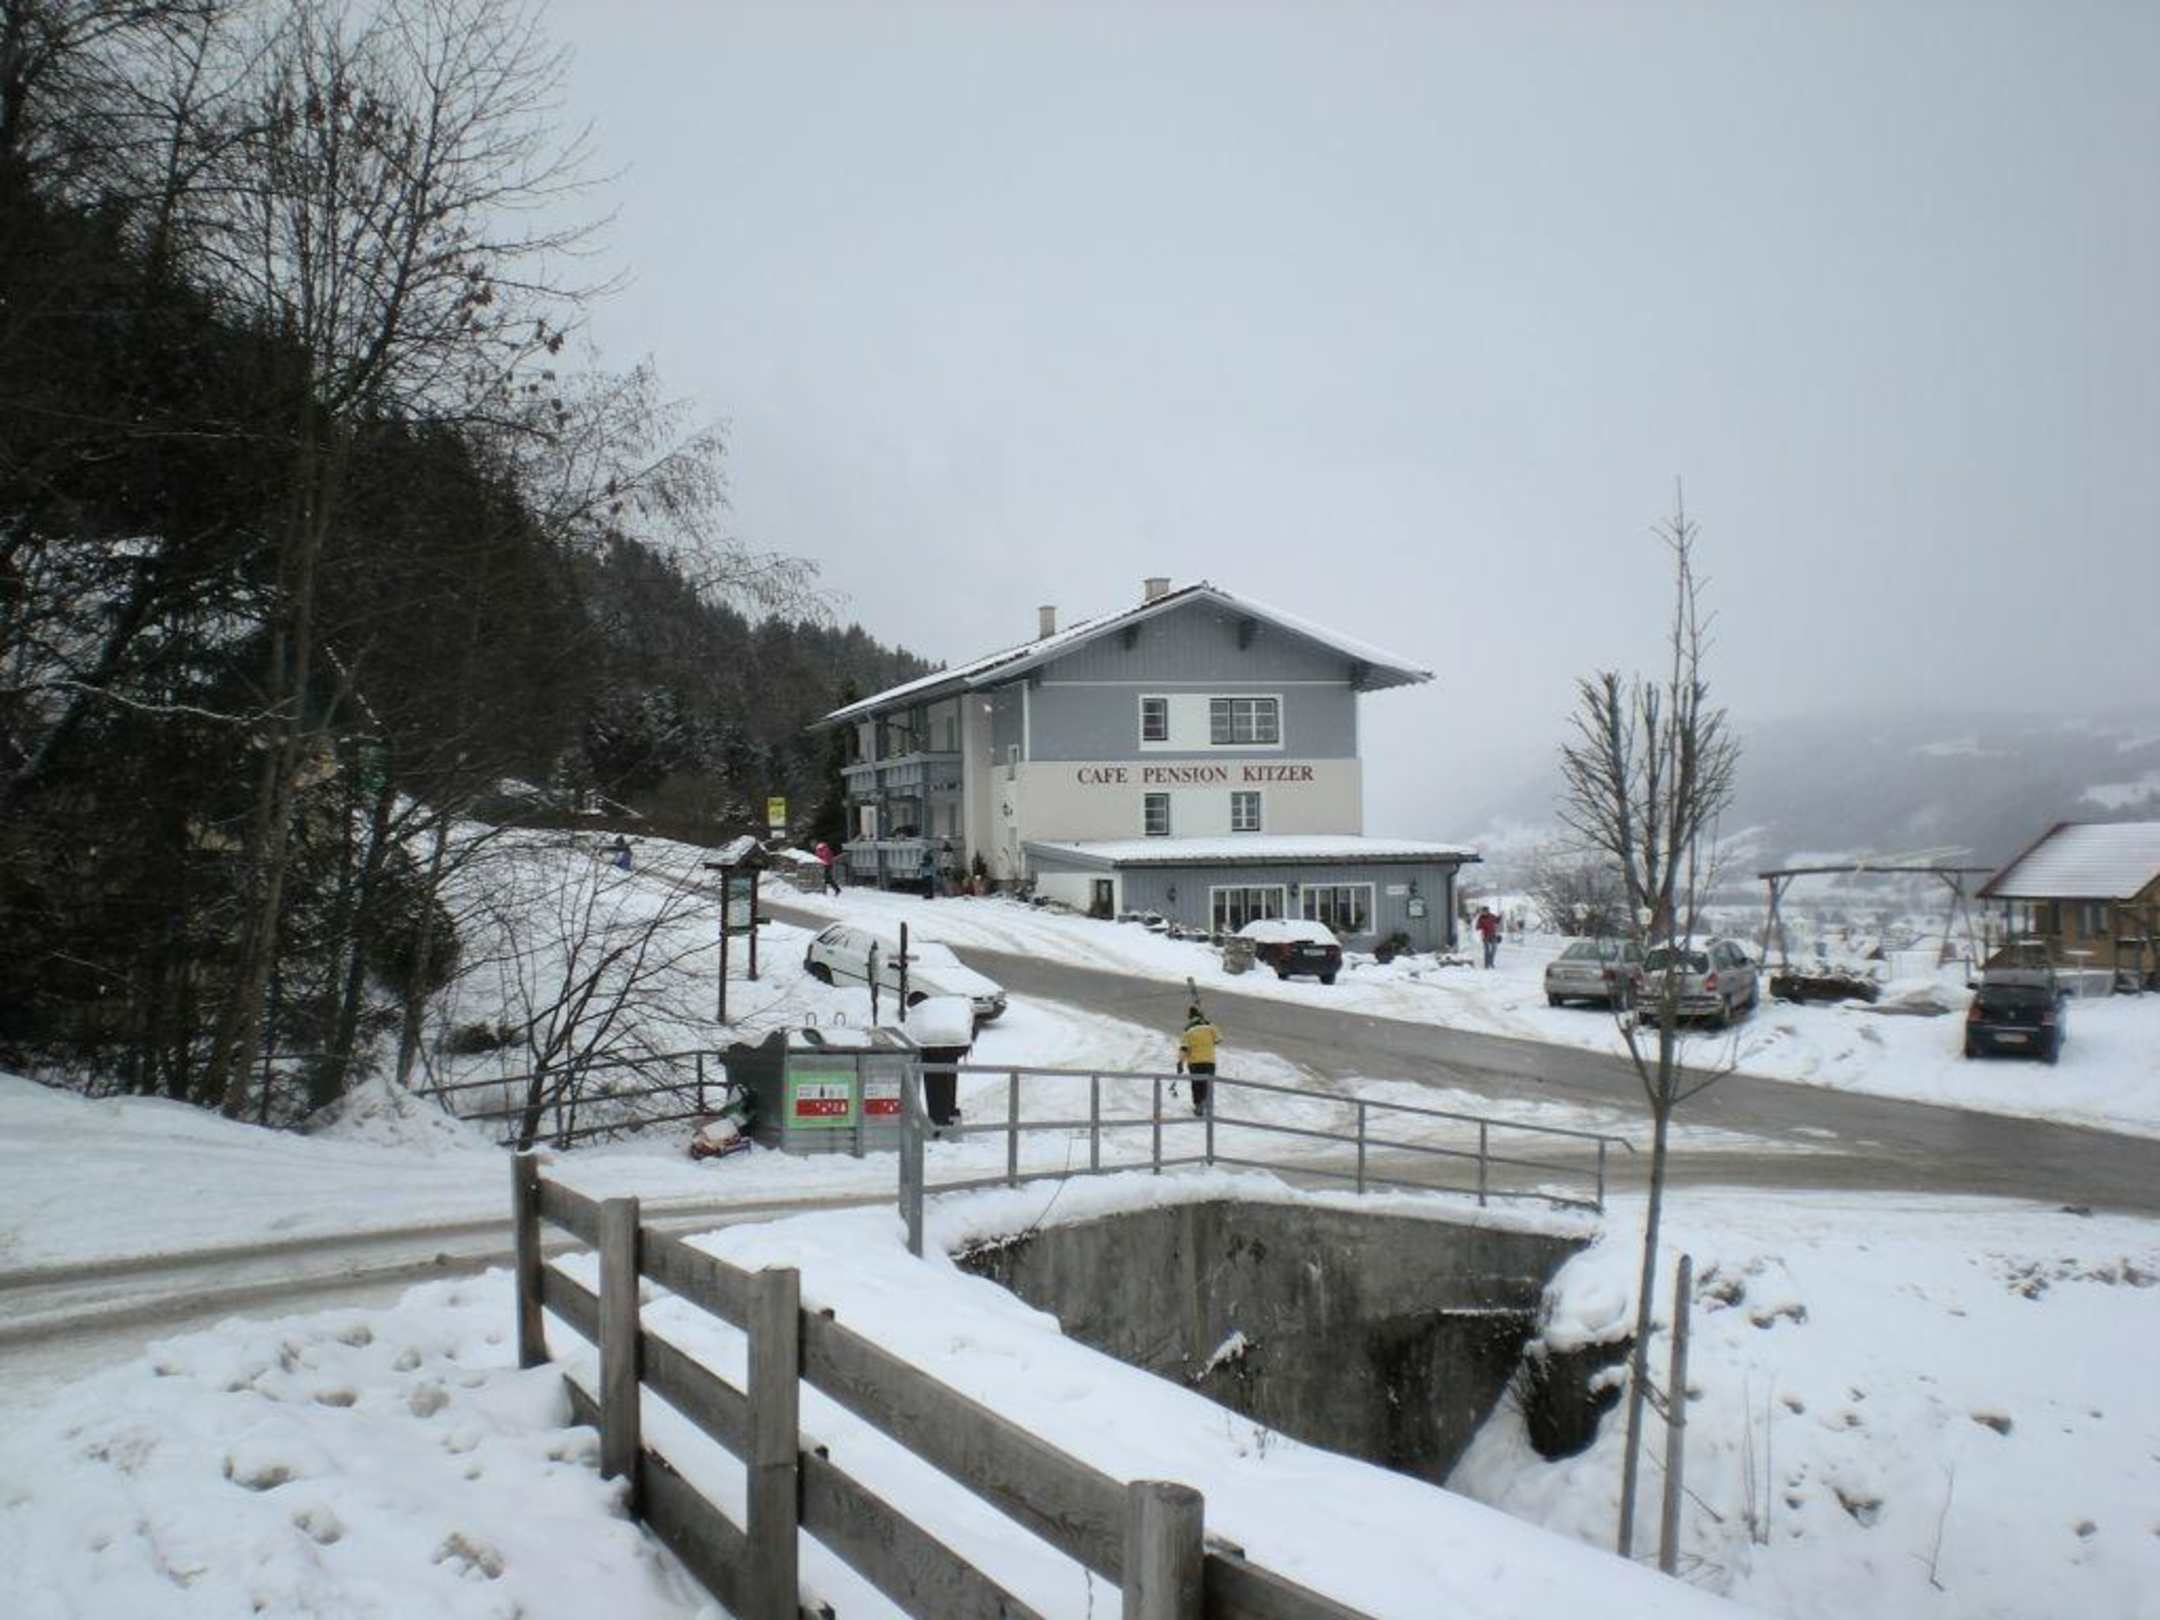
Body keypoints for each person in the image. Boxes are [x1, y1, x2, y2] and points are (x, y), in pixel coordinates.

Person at [1176, 1005, 1220, 1117]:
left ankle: (1198, 1105)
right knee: (1207, 1083)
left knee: (1196, 1084)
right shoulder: (1210, 1026)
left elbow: (1184, 1048)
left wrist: (1180, 1062)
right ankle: (1206, 1103)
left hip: (1195, 1062)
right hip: (1209, 1061)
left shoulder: (1188, 1030)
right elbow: (1218, 1039)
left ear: (1190, 1016)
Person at [1475, 904, 1501, 969]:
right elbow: (1477, 927)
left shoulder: (1492, 916)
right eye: (1483, 911)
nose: (1484, 913)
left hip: (1493, 935)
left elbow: (1497, 921)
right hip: (1485, 936)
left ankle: (1491, 962)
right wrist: (1480, 927)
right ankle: (1486, 964)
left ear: (1488, 911)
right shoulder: (1481, 918)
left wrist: (1500, 917)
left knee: (1494, 949)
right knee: (1487, 951)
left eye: (1486, 911)